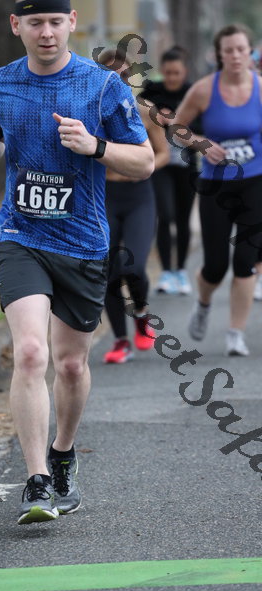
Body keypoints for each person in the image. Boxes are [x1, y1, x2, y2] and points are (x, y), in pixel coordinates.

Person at [0, 0, 154, 524]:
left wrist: (95, 146)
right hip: (20, 234)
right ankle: (36, 481)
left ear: (71, 22)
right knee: (31, 353)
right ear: (16, 26)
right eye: (35, 23)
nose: (46, 32)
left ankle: (63, 454)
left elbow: (143, 161)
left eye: (54, 22)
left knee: (71, 364)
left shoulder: (103, 85)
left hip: (82, 242)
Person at [172, 24, 262, 356]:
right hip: (217, 187)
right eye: (229, 50)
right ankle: (204, 302)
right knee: (216, 266)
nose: (236, 56)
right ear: (219, 54)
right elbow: (176, 128)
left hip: (256, 182)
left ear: (250, 51)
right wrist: (201, 144)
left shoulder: (261, 88)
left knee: (246, 261)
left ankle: (235, 334)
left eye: (241, 49)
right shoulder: (204, 90)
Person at [96, 49, 169, 364]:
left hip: (140, 195)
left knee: (134, 267)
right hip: (105, 195)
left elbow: (163, 153)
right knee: (110, 270)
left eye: (125, 75)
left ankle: (141, 313)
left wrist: (143, 166)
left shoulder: (144, 109)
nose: (120, 81)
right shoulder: (91, 110)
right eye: (111, 76)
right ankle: (120, 340)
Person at [140, 46, 198, 295]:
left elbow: (203, 128)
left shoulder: (193, 93)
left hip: (186, 166)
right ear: (162, 71)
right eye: (168, 72)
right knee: (165, 215)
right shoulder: (152, 91)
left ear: (184, 72)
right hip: (161, 163)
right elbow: (137, 113)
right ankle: (165, 272)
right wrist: (155, 115)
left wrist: (176, 122)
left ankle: (181, 271)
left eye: (177, 73)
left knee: (183, 219)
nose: (172, 77)